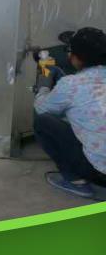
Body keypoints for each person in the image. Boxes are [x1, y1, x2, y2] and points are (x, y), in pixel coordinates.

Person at [34, 27, 106, 199]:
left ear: (76, 58)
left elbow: (41, 107)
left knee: (43, 121)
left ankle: (75, 181)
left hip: (100, 172)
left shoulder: (70, 84)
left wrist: (44, 85)